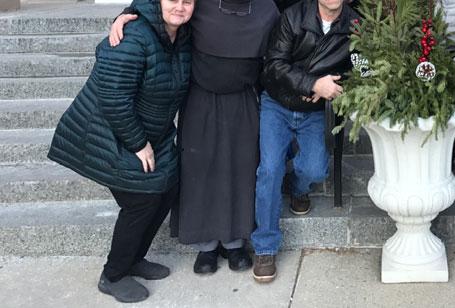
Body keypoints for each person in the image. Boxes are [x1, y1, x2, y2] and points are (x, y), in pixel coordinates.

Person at [109, 0, 282, 275]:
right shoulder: (195, 2)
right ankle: (207, 246)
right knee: (200, 169)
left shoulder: (268, 9)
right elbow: (159, 5)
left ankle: (235, 242)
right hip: (200, 97)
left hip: (244, 99)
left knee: (242, 168)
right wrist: (127, 14)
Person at [47, 0, 194, 302]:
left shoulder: (181, 36)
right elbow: (114, 98)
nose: (180, 7)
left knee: (168, 189)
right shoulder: (132, 37)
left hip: (153, 131)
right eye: (173, 0)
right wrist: (138, 143)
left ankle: (134, 259)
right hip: (108, 131)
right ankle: (113, 275)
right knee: (140, 199)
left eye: (188, 1)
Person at [252, 0, 359, 283]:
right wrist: (311, 83)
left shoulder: (356, 24)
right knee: (270, 169)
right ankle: (265, 246)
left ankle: (297, 188)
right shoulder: (293, 16)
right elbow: (273, 64)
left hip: (313, 111)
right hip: (278, 102)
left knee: (315, 170)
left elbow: (363, 70)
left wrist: (333, 87)